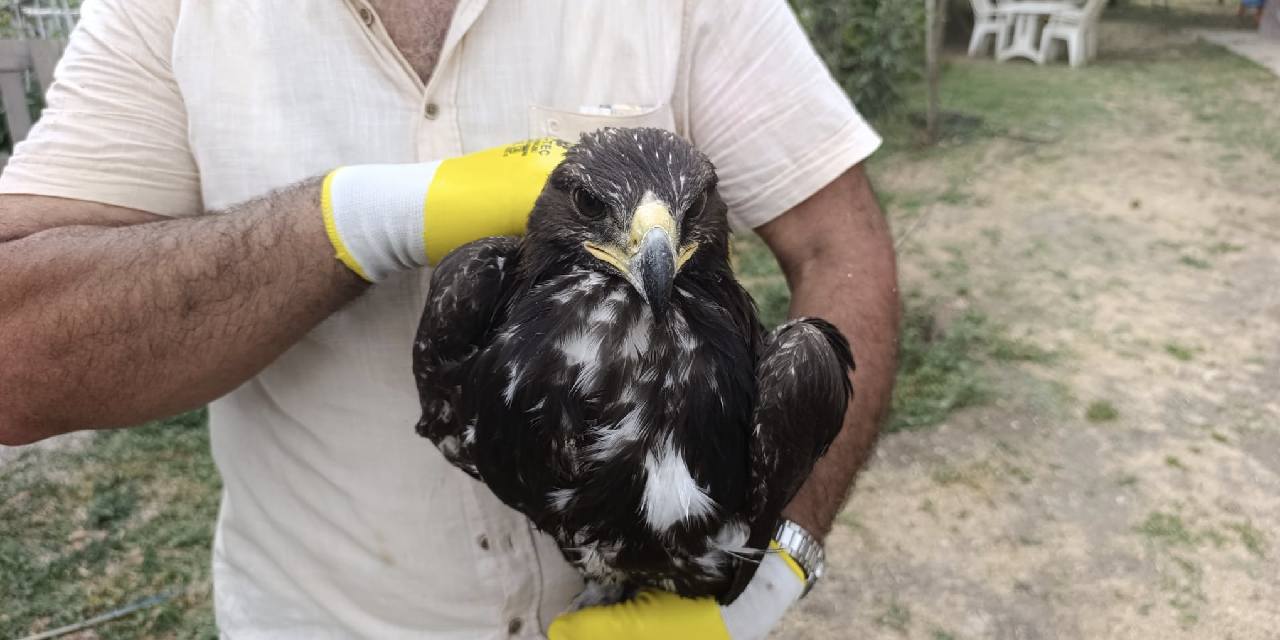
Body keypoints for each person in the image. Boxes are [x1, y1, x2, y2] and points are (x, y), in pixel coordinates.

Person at [0, 1, 900, 638]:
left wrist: (772, 571)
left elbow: (839, 246)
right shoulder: (168, 13)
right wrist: (363, 220)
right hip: (321, 620)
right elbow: (16, 348)